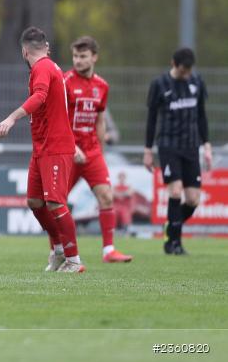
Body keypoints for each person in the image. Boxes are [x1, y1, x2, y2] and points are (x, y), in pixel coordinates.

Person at [0, 27, 85, 273]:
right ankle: (59, 249)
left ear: (24, 51)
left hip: (55, 146)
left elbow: (40, 96)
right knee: (35, 201)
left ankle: (74, 260)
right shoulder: (50, 67)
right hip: (42, 146)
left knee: (55, 203)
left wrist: (12, 118)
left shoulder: (42, 68)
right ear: (46, 47)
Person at [64, 36, 133, 263]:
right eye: (75, 56)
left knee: (106, 196)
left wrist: (100, 152)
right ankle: (59, 251)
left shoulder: (102, 86)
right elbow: (57, 120)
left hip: (92, 152)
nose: (78, 60)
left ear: (94, 57)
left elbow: (100, 121)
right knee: (58, 203)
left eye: (83, 56)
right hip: (68, 151)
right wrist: (71, 146)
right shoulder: (65, 82)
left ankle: (109, 251)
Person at [143, 47, 212, 255]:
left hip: (191, 146)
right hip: (168, 145)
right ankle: (174, 243)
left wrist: (207, 145)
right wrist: (148, 149)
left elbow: (202, 115)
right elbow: (152, 119)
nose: (186, 75)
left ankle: (170, 227)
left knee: (193, 199)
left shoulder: (197, 82)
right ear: (173, 64)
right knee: (175, 191)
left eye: (189, 71)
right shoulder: (159, 84)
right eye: (183, 71)